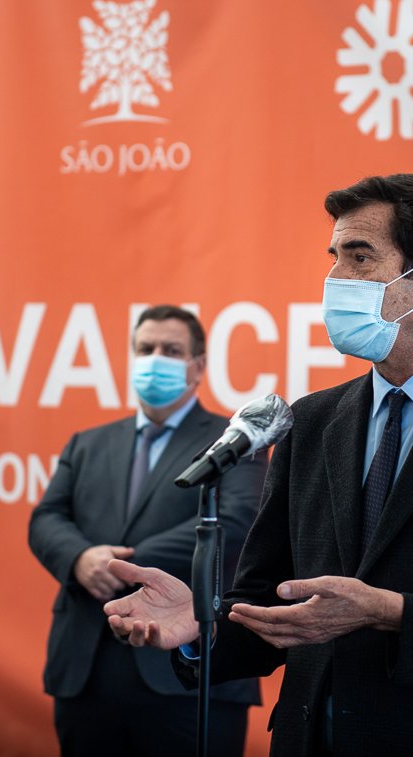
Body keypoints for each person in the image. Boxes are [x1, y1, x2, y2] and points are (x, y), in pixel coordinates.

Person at [104, 175, 413, 756]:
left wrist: (392, 613)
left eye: (360, 257)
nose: (336, 278)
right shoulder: (311, 421)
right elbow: (273, 601)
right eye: (334, 257)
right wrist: (202, 624)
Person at [28, 305, 267, 756]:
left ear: (198, 366)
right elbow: (46, 518)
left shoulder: (235, 441)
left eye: (171, 351)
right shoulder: (88, 442)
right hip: (87, 668)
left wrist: (120, 565)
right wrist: (80, 559)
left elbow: (236, 519)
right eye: (145, 349)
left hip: (186, 673)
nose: (155, 359)